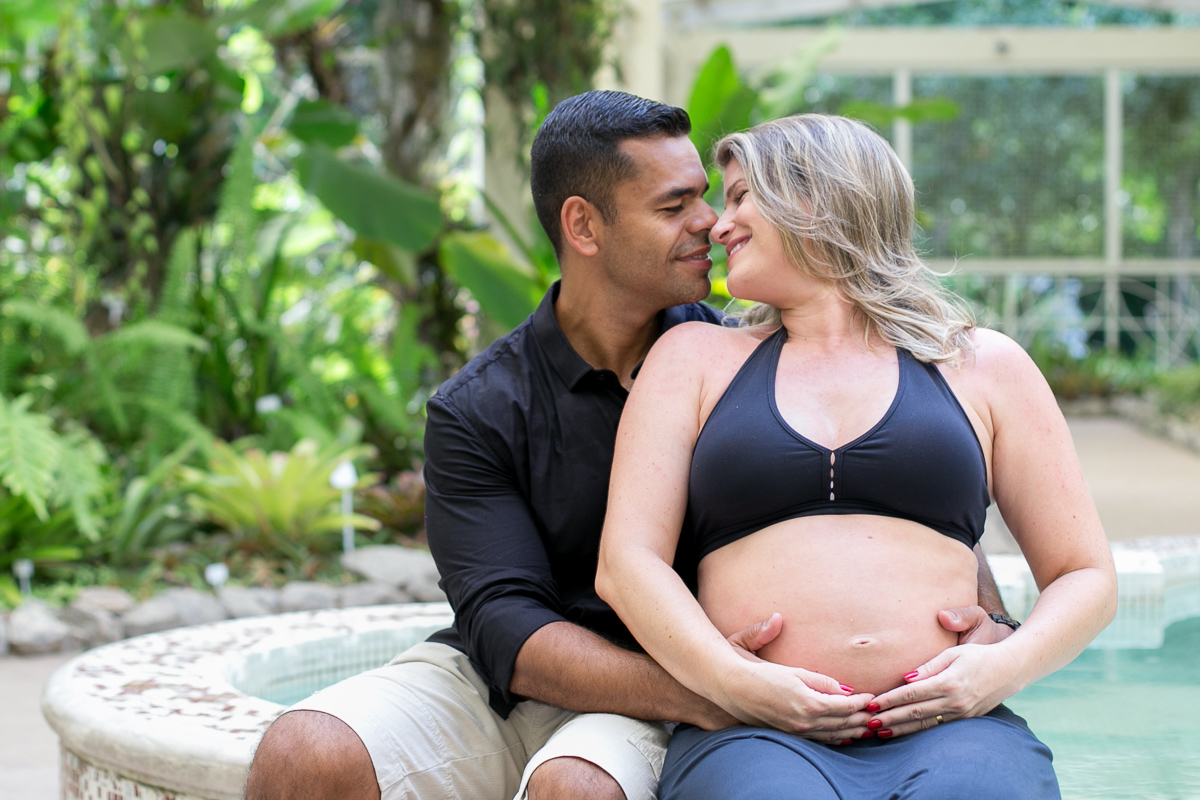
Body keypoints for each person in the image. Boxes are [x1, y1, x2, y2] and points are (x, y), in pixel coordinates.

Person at [244, 93, 1017, 800]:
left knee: (575, 788)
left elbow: (873, 496)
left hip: (665, 693)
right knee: (302, 750)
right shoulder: (476, 408)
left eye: (711, 199)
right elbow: (503, 623)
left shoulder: (744, 363)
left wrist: (986, 619)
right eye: (676, 205)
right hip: (588, 681)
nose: (712, 224)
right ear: (583, 227)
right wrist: (718, 689)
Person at [595, 113, 1119, 799]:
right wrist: (737, 685)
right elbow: (626, 564)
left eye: (742, 196)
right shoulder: (694, 360)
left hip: (957, 729)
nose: (719, 226)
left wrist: (1002, 669)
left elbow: (1085, 574)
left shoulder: (982, 365)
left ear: (816, 198)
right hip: (756, 733)